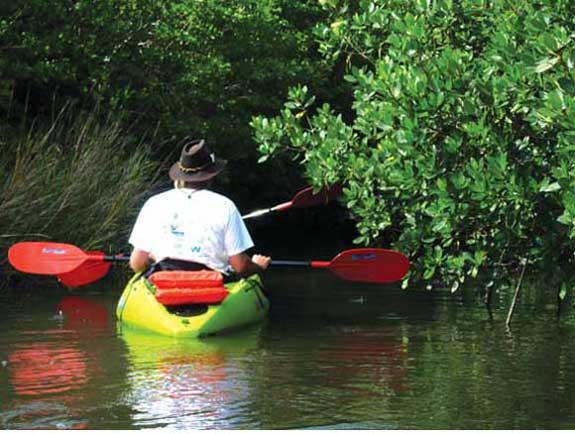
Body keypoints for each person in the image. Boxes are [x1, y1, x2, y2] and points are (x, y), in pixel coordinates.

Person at [128, 139, 270, 278]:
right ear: (210, 175)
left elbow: (137, 263)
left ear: (181, 175)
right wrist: (258, 266)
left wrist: (154, 258)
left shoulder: (154, 203)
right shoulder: (226, 206)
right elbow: (240, 266)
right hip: (211, 287)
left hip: (164, 285)